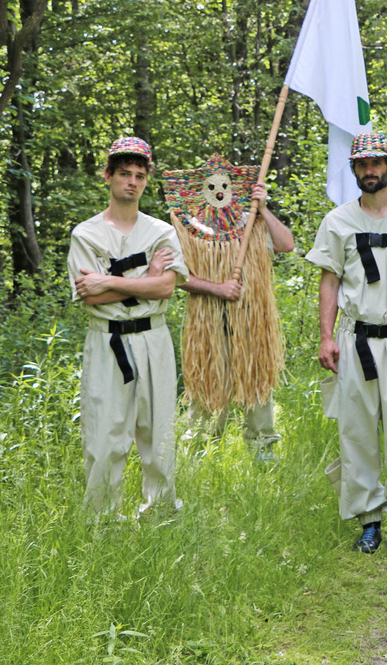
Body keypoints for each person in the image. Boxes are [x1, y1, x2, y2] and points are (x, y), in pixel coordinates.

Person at [305, 132, 387, 557]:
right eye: (362, 164)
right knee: (357, 432)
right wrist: (326, 337)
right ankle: (369, 520)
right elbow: (329, 280)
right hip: (353, 339)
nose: (369, 171)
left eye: (376, 163)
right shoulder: (338, 222)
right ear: (354, 169)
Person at [68, 136, 188, 516]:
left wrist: (109, 281)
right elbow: (90, 298)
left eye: (139, 175)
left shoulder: (160, 233)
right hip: (107, 342)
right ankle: (101, 518)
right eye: (124, 174)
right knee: (104, 435)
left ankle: (162, 512)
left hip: (153, 338)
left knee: (159, 432)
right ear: (108, 176)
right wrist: (144, 281)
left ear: (146, 180)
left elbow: (167, 286)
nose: (132, 182)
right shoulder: (86, 234)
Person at [179, 180, 295, 459]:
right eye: (212, 186)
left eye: (225, 185)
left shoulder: (252, 222)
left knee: (257, 382)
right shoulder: (194, 228)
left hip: (253, 322)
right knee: (208, 381)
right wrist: (217, 289)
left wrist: (264, 209)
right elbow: (178, 276)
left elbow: (286, 244)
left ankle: (263, 449)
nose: (219, 192)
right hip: (207, 322)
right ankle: (200, 452)